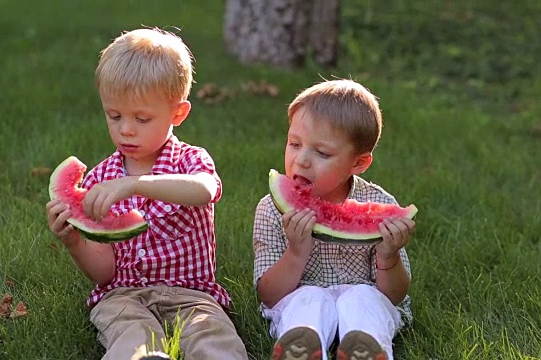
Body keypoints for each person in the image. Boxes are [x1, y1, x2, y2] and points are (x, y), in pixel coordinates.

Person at [46, 27, 248, 360]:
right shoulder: (99, 179)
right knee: (131, 333)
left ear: (178, 114)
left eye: (141, 118)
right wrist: (74, 242)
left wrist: (137, 183)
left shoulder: (190, 160)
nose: (125, 128)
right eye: (114, 116)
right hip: (123, 296)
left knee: (211, 335)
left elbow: (204, 190)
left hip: (192, 295)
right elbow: (105, 272)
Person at [252, 79, 416, 360]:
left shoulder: (383, 206)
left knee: (364, 299)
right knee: (308, 300)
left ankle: (366, 348)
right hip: (300, 296)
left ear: (359, 163)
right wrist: (295, 253)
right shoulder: (271, 209)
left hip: (366, 299)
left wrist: (389, 257)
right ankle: (302, 346)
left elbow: (395, 295)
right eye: (294, 143)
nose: (301, 160)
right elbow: (269, 295)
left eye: (322, 153)